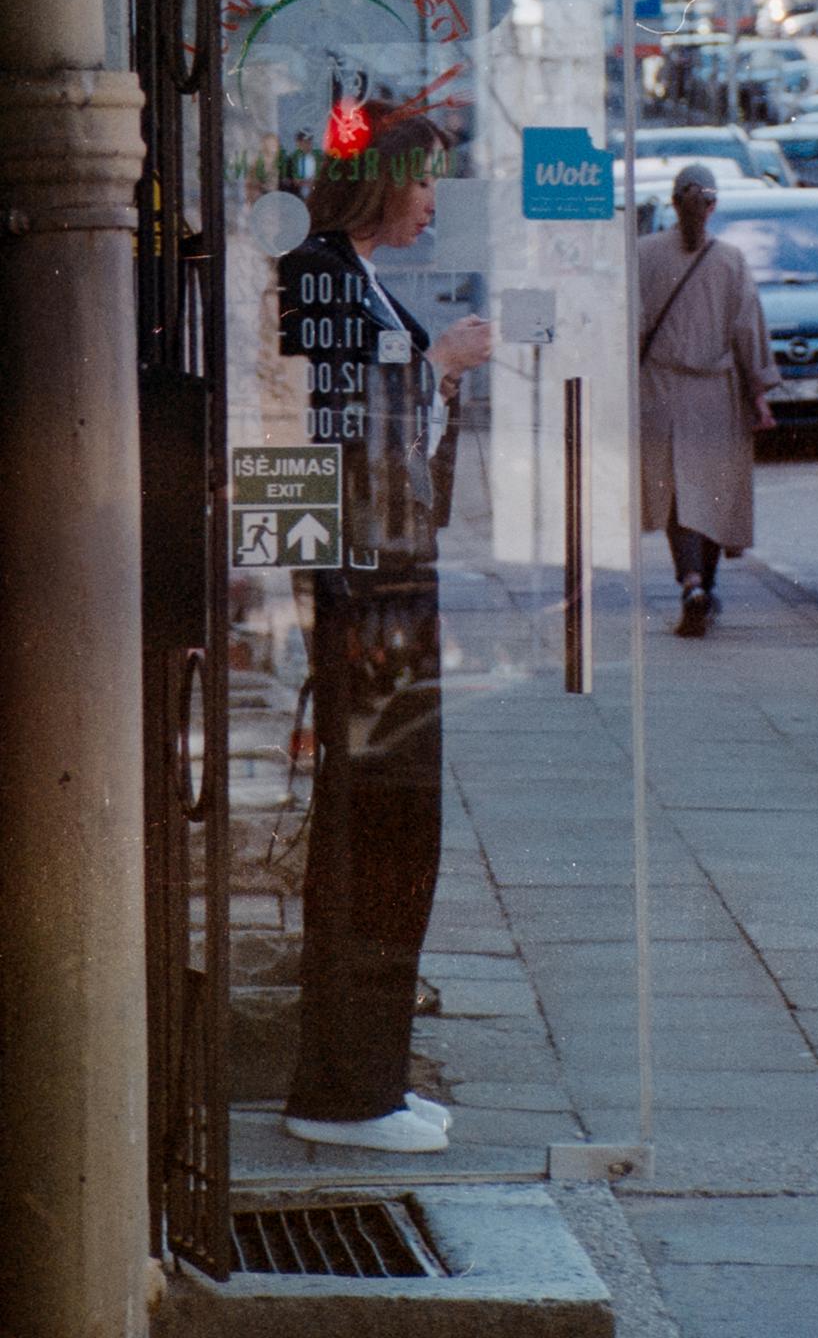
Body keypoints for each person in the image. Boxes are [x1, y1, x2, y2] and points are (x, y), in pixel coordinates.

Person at [276, 97, 491, 1153]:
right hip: (367, 600)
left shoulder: (343, 275)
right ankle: (345, 1090)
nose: (430, 200)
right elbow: (327, 434)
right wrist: (437, 367)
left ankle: (366, 1076)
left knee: (394, 831)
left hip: (380, 596)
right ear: (378, 181)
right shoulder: (318, 275)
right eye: (421, 178)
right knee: (379, 832)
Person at [638, 162, 779, 637]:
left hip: (659, 390)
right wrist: (759, 394)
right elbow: (747, 332)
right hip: (716, 393)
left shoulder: (643, 255)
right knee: (714, 491)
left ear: (673, 204)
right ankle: (704, 583)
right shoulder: (731, 261)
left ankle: (693, 582)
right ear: (712, 206)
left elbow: (627, 327)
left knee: (680, 492)